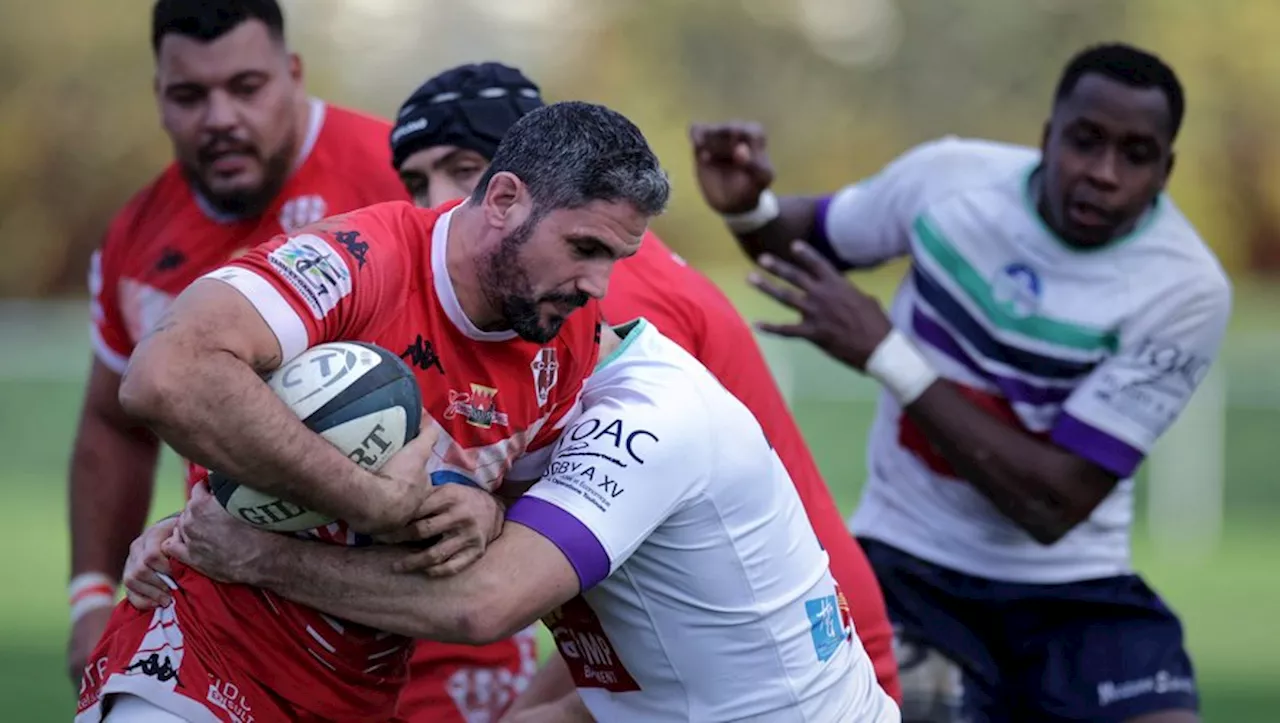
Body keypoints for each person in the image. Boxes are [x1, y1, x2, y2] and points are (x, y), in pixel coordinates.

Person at [76, 100, 670, 723]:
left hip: (359, 695)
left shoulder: (568, 343)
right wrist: (367, 499)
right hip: (198, 664)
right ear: (503, 200)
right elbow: (164, 374)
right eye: (584, 247)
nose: (597, 285)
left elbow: (517, 552)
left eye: (613, 260)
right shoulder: (358, 259)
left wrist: (487, 514)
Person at [692, 43, 1230, 723]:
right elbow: (803, 242)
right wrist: (749, 210)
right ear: (1047, 136)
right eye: (1085, 141)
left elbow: (1052, 504)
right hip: (909, 568)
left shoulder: (1186, 287)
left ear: (1166, 169)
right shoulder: (947, 181)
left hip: (1076, 590)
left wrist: (889, 353)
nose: (1102, 172)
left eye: (1136, 154)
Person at [387, 61, 902, 713]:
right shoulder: (534, 303)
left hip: (785, 655)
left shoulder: (586, 299)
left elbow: (529, 589)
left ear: (519, 184)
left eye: (464, 172)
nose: (437, 204)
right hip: (702, 645)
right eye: (414, 182)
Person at [124, 318, 902, 722]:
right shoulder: (510, 393)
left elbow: (481, 603)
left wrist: (255, 555)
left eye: (458, 179)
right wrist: (190, 527)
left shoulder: (647, 415)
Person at [66, 0, 412, 684]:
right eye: (190, 95)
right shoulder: (137, 239)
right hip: (235, 618)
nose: (220, 117)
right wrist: (90, 595)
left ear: (292, 73)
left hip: (417, 622)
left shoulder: (400, 178)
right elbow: (113, 424)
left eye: (246, 88)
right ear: (159, 100)